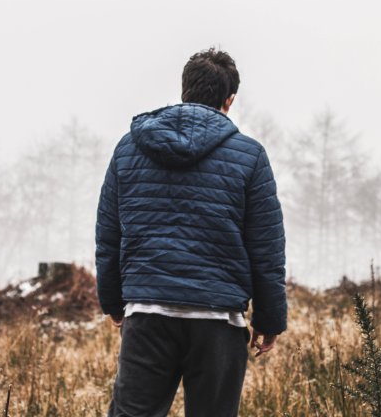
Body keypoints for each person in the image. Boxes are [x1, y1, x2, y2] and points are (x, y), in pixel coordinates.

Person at [95, 46, 287, 417]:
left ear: (185, 91)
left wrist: (114, 302)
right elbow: (266, 249)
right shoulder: (250, 157)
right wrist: (269, 321)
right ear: (229, 101)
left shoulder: (129, 148)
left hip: (148, 314)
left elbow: (109, 236)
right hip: (218, 321)